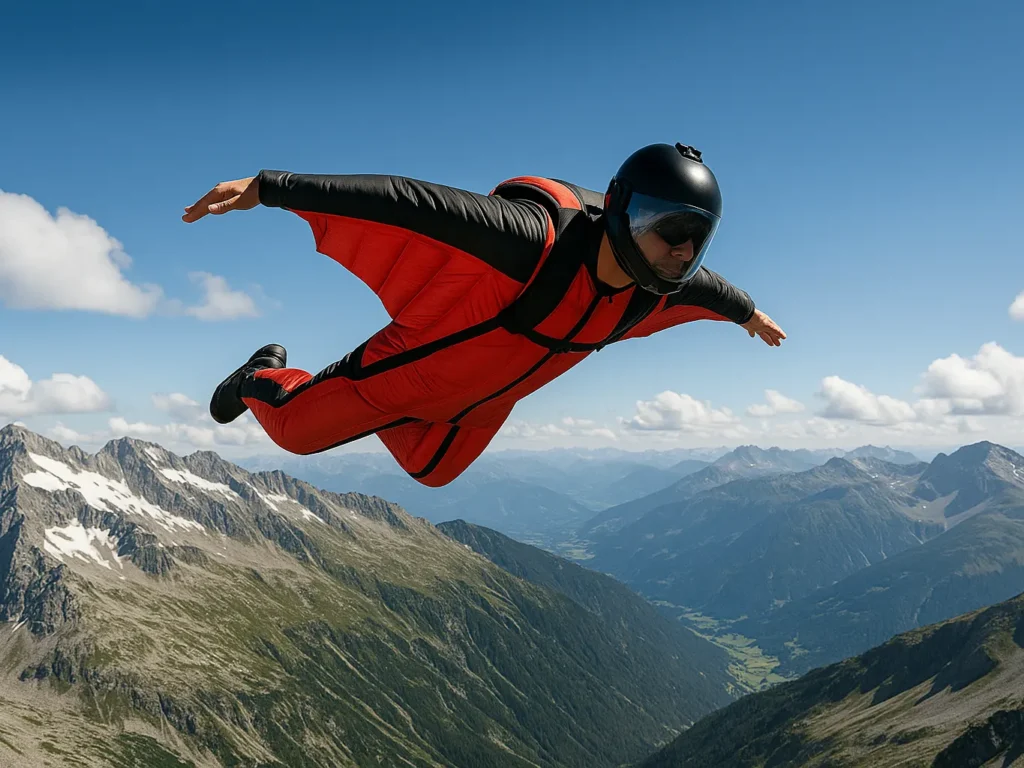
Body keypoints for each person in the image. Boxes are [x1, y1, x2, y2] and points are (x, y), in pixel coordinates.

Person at [182, 142, 786, 487]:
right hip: (395, 378)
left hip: (474, 410)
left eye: (696, 238)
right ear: (623, 212)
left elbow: (710, 288)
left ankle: (383, 419)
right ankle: (258, 375)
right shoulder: (527, 242)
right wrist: (272, 186)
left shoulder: (652, 290)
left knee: (432, 469)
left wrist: (749, 315)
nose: (682, 251)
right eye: (670, 230)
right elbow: (408, 203)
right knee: (295, 434)